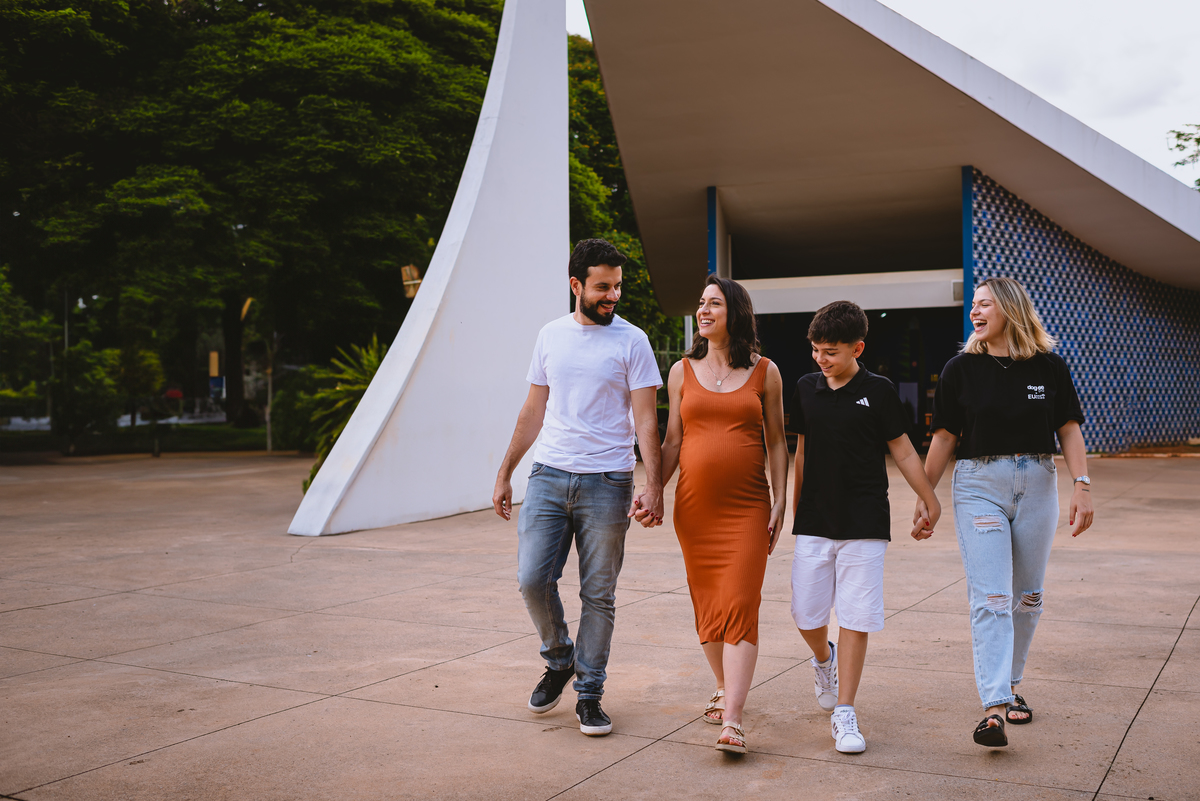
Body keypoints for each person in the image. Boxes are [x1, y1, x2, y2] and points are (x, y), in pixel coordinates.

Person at [492, 238, 664, 737]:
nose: (613, 296)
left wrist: (654, 485)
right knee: (531, 579)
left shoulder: (633, 341)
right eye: (603, 287)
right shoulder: (550, 335)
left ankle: (589, 693)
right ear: (576, 285)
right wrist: (506, 472)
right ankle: (560, 658)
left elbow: (646, 421)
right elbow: (533, 409)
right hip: (548, 474)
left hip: (608, 481)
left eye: (618, 287)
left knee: (598, 594)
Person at [917, 276, 1094, 748]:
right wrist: (926, 495)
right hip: (980, 486)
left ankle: (1012, 685)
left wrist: (1082, 485)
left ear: (1010, 309)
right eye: (973, 305)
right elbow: (945, 436)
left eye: (984, 304)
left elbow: (1069, 428)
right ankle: (994, 707)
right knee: (993, 597)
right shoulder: (960, 369)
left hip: (1037, 484)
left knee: (1028, 596)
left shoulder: (1049, 366)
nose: (974, 312)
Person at [788, 300, 941, 754]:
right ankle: (824, 658)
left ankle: (845, 710)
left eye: (830, 352)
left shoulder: (879, 390)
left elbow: (904, 450)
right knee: (806, 615)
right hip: (815, 520)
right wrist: (794, 509)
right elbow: (802, 451)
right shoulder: (805, 388)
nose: (820, 359)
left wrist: (930, 497)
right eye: (815, 350)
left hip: (865, 520)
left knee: (856, 616)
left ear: (857, 348)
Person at [652, 276, 789, 755]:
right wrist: (652, 490)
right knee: (708, 608)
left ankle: (733, 720)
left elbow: (777, 441)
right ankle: (723, 684)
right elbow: (672, 441)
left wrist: (781, 499)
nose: (703, 310)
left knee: (741, 606)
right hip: (695, 511)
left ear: (736, 312)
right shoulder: (680, 371)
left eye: (714, 303)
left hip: (748, 508)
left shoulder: (765, 372)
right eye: (701, 303)